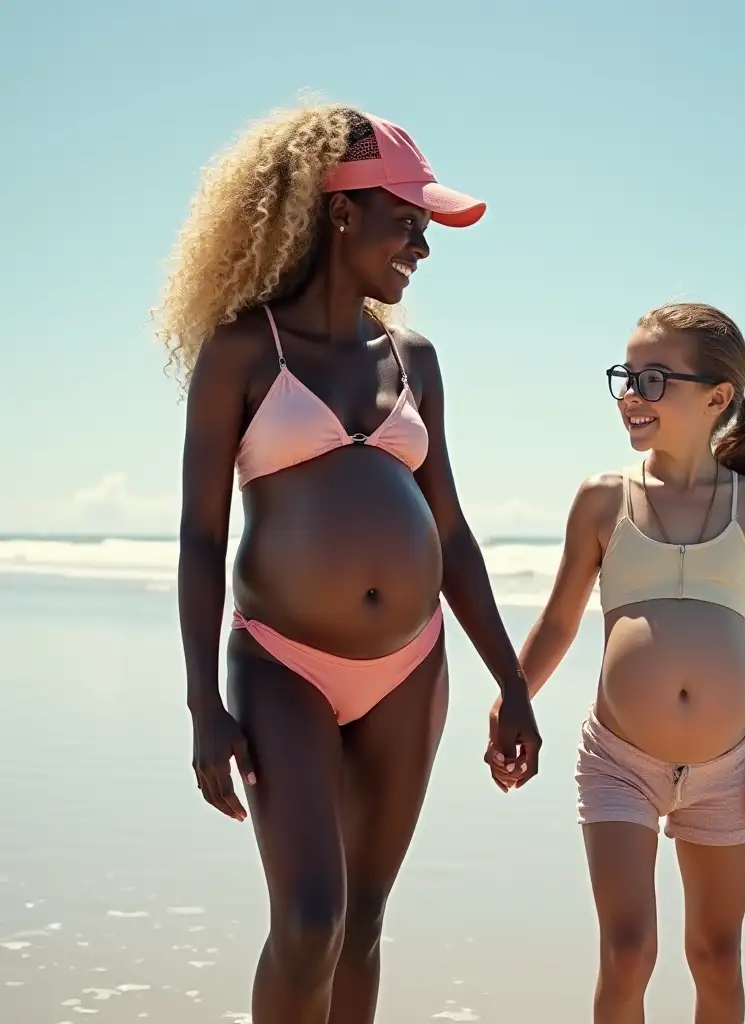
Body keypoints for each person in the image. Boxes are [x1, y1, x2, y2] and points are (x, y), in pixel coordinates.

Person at [156, 103, 542, 1024]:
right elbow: (201, 538)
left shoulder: (414, 358)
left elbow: (450, 532)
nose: (422, 246)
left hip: (412, 666)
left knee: (363, 923)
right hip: (280, 663)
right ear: (341, 213)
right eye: (407, 222)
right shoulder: (245, 350)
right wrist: (202, 702)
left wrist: (513, 682)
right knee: (308, 919)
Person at [487, 302, 745, 1024]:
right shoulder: (603, 499)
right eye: (627, 376)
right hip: (619, 761)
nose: (632, 393)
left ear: (716, 398)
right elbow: (561, 617)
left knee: (717, 957)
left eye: (655, 379)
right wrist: (514, 695)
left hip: (724, 771)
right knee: (628, 952)